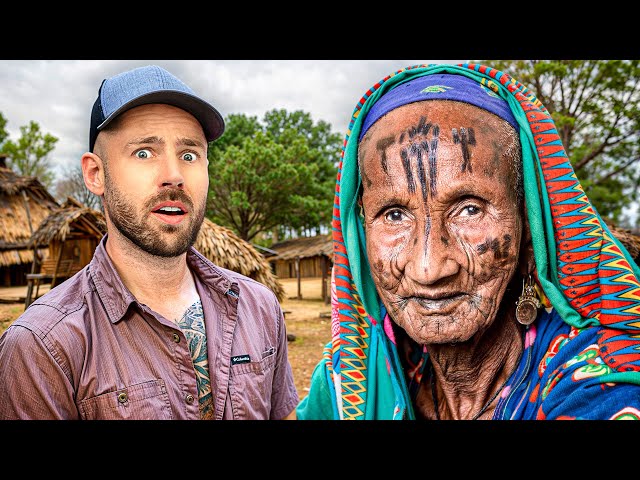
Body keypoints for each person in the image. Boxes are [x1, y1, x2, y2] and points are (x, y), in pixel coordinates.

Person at [296, 63, 640, 420]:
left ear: (528, 230)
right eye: (394, 214)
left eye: (470, 209)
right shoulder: (350, 377)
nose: (428, 268)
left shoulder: (603, 387)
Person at [0, 64, 298, 420]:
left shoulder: (260, 308)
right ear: (96, 173)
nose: (174, 175)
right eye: (144, 152)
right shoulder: (42, 346)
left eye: (189, 155)